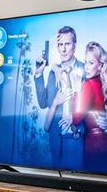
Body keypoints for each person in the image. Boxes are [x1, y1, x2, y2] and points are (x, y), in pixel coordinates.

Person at [35, 26, 84, 170]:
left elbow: (92, 107)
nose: (63, 49)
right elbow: (43, 103)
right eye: (60, 45)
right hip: (56, 142)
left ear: (74, 45)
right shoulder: (52, 73)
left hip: (78, 140)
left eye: (67, 44)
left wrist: (76, 117)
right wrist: (38, 75)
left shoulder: (85, 70)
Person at [72, 42, 107, 175]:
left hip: (93, 148)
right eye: (86, 62)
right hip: (106, 146)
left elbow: (75, 118)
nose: (86, 67)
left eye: (91, 63)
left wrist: (76, 90)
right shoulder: (102, 84)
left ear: (100, 65)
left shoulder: (88, 84)